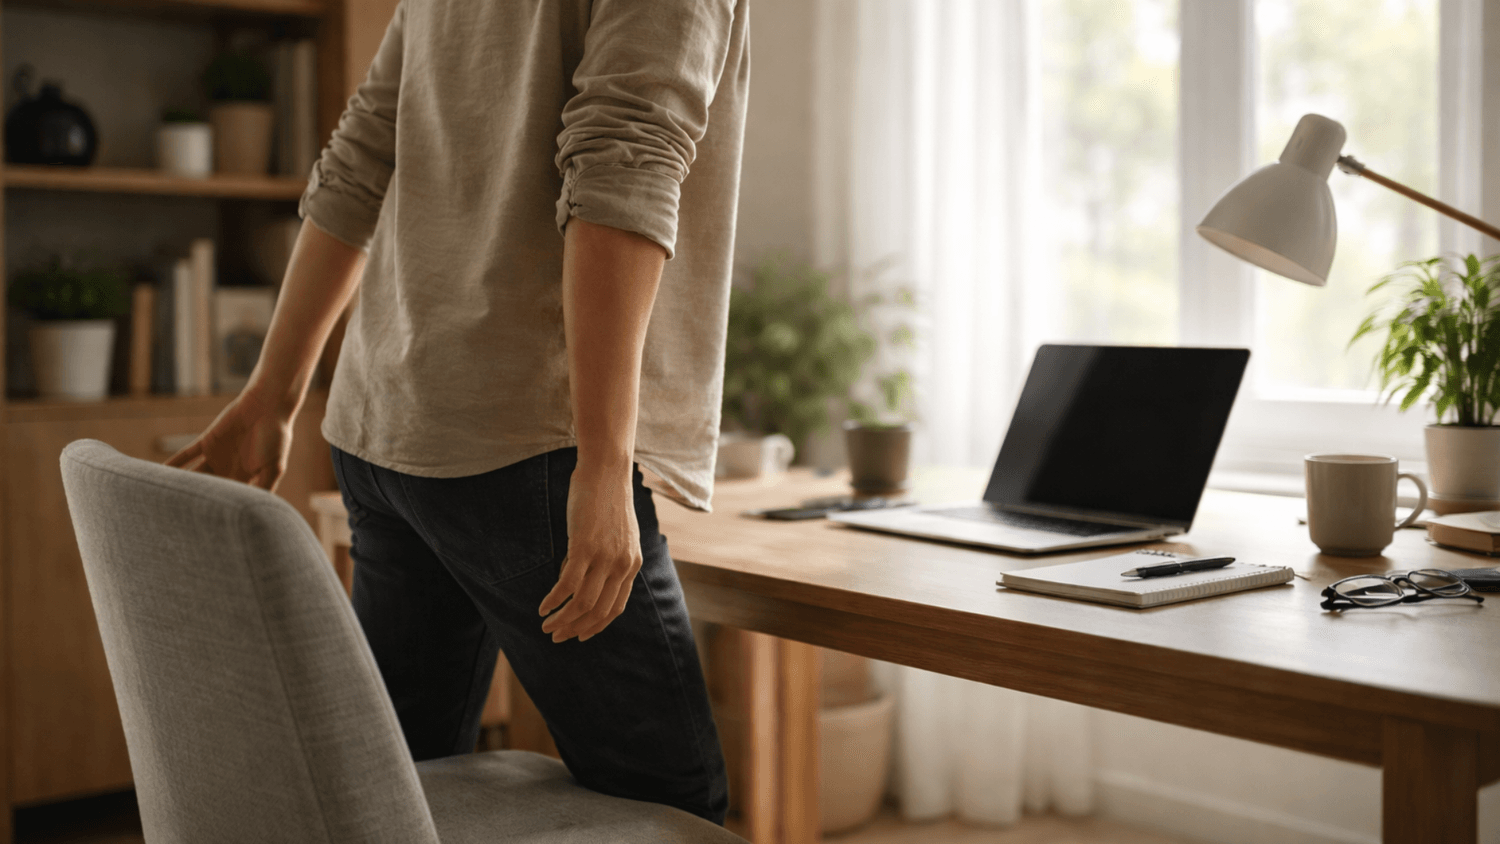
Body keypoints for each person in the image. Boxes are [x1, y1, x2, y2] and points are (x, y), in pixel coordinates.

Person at [167, 0, 750, 824]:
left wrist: (277, 388)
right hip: (525, 441)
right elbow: (626, 162)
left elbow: (363, 147)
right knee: (676, 808)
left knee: (398, 795)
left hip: (387, 426)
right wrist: (604, 459)